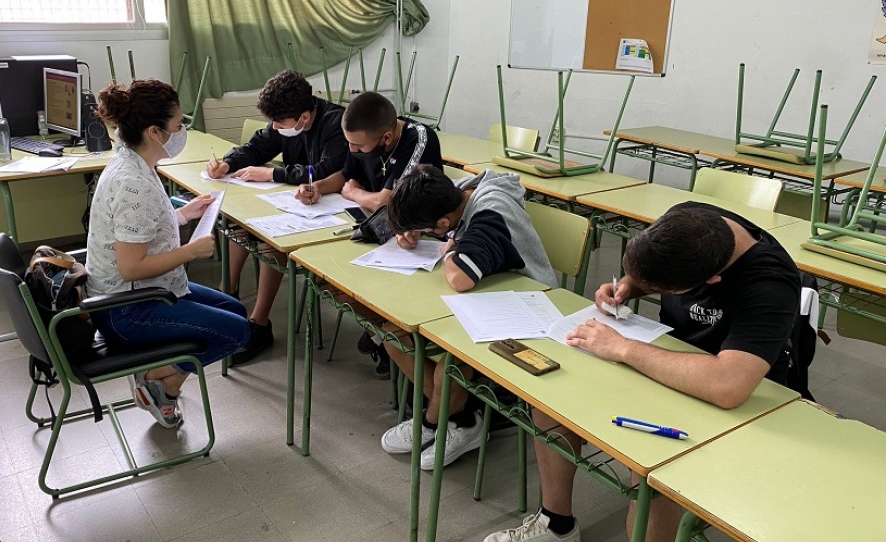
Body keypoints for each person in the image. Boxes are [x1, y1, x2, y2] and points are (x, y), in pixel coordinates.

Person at [484, 202, 800, 542]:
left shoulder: (770, 283)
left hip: (736, 396)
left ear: (711, 280)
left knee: (650, 463)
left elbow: (728, 385)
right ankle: (556, 524)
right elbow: (650, 274)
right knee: (552, 398)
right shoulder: (686, 221)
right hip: (666, 357)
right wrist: (628, 287)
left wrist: (624, 348)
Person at [86, 79, 251, 429]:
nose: (181, 132)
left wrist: (183, 215)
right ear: (154, 132)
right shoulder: (134, 183)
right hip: (125, 309)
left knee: (235, 311)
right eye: (178, 126)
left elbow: (138, 230)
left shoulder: (132, 162)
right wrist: (190, 251)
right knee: (237, 332)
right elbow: (132, 267)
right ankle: (162, 379)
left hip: (136, 293)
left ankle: (159, 377)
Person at [381, 165, 557, 470]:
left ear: (443, 222)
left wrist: (449, 251)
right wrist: (410, 232)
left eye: (427, 231)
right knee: (393, 335)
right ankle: (460, 418)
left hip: (528, 309)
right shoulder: (456, 193)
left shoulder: (490, 210)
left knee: (449, 364)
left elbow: (461, 278)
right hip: (487, 298)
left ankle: (434, 423)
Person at [295, 91, 444, 378]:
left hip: (420, 238)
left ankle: (390, 341)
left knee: (355, 281)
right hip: (382, 230)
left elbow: (387, 201)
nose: (352, 150)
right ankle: (380, 337)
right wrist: (316, 188)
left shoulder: (418, 139)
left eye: (358, 146)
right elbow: (344, 176)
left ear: (386, 138)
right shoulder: (362, 143)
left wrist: (354, 193)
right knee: (328, 279)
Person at [206, 70, 348, 364]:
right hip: (296, 204)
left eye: (280, 123)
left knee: (270, 243)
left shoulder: (336, 124)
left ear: (304, 118)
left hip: (331, 212)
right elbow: (256, 147)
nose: (274, 127)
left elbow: (326, 171)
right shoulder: (285, 122)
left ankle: (259, 324)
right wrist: (228, 163)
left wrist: (272, 174)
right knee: (239, 224)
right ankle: (226, 297)